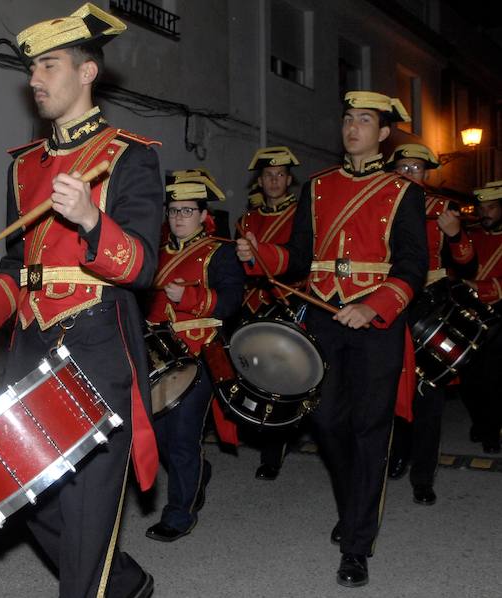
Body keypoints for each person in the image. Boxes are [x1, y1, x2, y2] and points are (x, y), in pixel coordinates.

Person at [0, 4, 161, 596]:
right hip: (31, 349)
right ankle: (124, 582)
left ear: (87, 72)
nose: (34, 79)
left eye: (48, 64)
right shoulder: (24, 169)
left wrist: (94, 220)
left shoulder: (130, 156)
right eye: (31, 68)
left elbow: (143, 267)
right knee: (27, 501)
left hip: (97, 346)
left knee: (89, 515)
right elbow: (17, 268)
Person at [236, 91, 427, 587]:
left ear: (384, 134)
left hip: (375, 326)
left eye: (364, 120)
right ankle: (352, 503)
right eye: (347, 119)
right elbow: (298, 258)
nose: (352, 127)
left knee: (369, 430)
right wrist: (260, 256)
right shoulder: (318, 188)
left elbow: (413, 266)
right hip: (323, 318)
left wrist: (375, 306)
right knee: (324, 422)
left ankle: (358, 542)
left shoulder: (404, 192)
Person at [144, 170, 243, 542]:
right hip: (158, 356)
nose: (178, 218)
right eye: (172, 211)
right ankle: (197, 474)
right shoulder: (154, 253)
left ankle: (180, 514)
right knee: (157, 434)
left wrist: (187, 299)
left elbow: (232, 301)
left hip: (200, 354)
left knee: (183, 436)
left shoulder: (221, 251)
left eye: (187, 211)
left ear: (203, 215)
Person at [384, 144, 476, 504]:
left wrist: (454, 234)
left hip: (430, 307)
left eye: (416, 168)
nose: (409, 174)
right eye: (403, 167)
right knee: (390, 387)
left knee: (428, 396)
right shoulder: (380, 205)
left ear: (426, 174)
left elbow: (468, 264)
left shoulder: (443, 208)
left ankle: (423, 476)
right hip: (391, 302)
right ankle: (398, 454)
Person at [236, 146, 304, 481]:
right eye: (268, 175)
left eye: (280, 175)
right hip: (253, 305)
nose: (274, 180)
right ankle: (269, 435)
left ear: (289, 179)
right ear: (259, 180)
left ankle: (273, 451)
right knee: (256, 378)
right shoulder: (247, 219)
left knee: (283, 379)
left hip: (289, 303)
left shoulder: (303, 214)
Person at [460, 180, 502, 454]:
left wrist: (481, 287)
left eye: (491, 207)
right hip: (469, 311)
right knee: (468, 376)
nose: (483, 212)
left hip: (499, 312)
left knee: (494, 376)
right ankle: (480, 421)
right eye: (481, 207)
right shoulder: (471, 235)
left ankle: (491, 430)